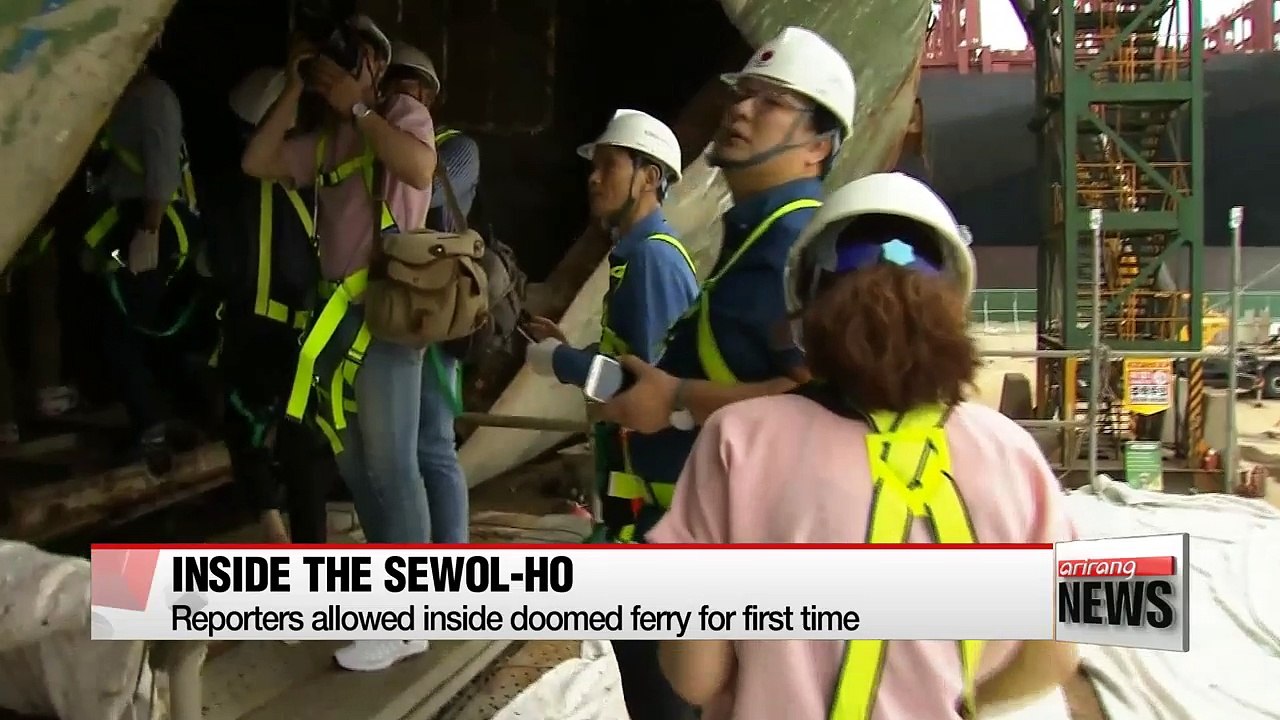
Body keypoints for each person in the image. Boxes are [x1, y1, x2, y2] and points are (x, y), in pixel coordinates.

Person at [650, 173, 1080, 720]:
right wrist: (965, 702)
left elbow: (694, 676)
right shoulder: (1012, 454)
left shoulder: (738, 441)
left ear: (805, 310)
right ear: (954, 307)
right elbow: (1054, 655)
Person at [594, 27, 856, 720]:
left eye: (772, 102)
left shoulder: (798, 249)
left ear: (818, 144)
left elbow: (835, 407)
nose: (740, 109)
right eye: (743, 93)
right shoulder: (758, 239)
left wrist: (675, 399)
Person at [240, 16, 442, 672]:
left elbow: (417, 167)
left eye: (351, 59)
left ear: (376, 67)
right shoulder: (327, 140)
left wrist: (359, 104)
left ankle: (408, 616)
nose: (339, 68)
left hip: (385, 314)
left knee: (393, 465)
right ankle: (390, 604)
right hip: (338, 321)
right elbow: (257, 161)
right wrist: (298, 88)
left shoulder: (401, 114)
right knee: (356, 468)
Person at [525, 109, 698, 541]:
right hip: (630, 484)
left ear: (648, 177)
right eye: (593, 166)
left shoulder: (651, 260)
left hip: (650, 497)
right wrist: (572, 351)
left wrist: (563, 362)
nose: (594, 179)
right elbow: (630, 363)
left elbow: (652, 389)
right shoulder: (634, 255)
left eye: (609, 165)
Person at [213, 66, 332, 545]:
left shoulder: (237, 187)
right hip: (307, 332)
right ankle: (311, 551)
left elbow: (218, 260)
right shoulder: (309, 180)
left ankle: (275, 533)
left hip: (253, 328)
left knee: (242, 427)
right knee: (302, 443)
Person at [81, 56, 202, 472]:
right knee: (136, 320)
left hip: (151, 226)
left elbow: (162, 171)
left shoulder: (153, 98)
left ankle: (152, 426)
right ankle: (163, 419)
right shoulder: (125, 98)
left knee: (124, 326)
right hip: (132, 223)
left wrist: (148, 231)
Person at [380, 41, 481, 233]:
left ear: (427, 99)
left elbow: (421, 188)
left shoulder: (461, 147)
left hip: (439, 255)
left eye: (403, 91)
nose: (394, 100)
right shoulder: (365, 140)